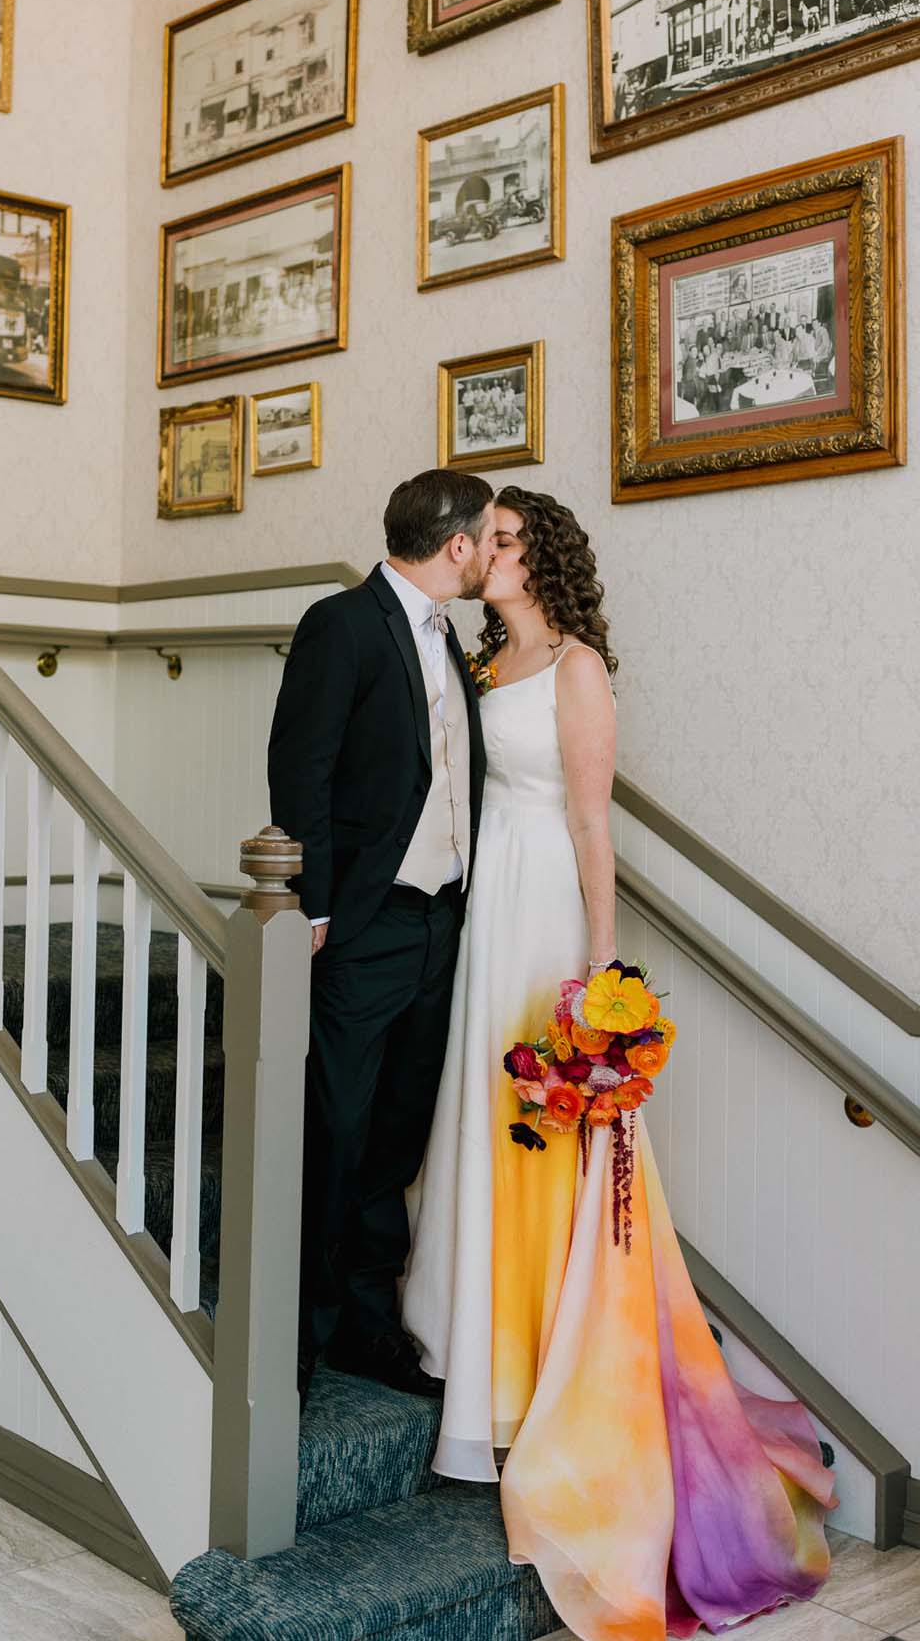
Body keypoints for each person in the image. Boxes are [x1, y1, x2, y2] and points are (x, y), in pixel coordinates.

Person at [402, 486, 835, 1640]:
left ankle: (549, 1381)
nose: (481, 552)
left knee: (550, 1145)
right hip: (487, 908)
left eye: (499, 539)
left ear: (536, 556)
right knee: (486, 1125)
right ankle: (481, 1386)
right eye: (478, 538)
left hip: (547, 912)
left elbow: (594, 824)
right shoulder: (484, 663)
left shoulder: (578, 670)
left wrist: (599, 976)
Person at [269, 470, 495, 1404]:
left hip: (442, 926)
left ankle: (368, 1326)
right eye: (486, 538)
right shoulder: (344, 623)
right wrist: (314, 910)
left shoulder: (453, 639)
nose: (490, 553)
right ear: (455, 546)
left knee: (395, 1140)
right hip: (361, 928)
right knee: (336, 1130)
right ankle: (294, 1341)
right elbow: (301, 767)